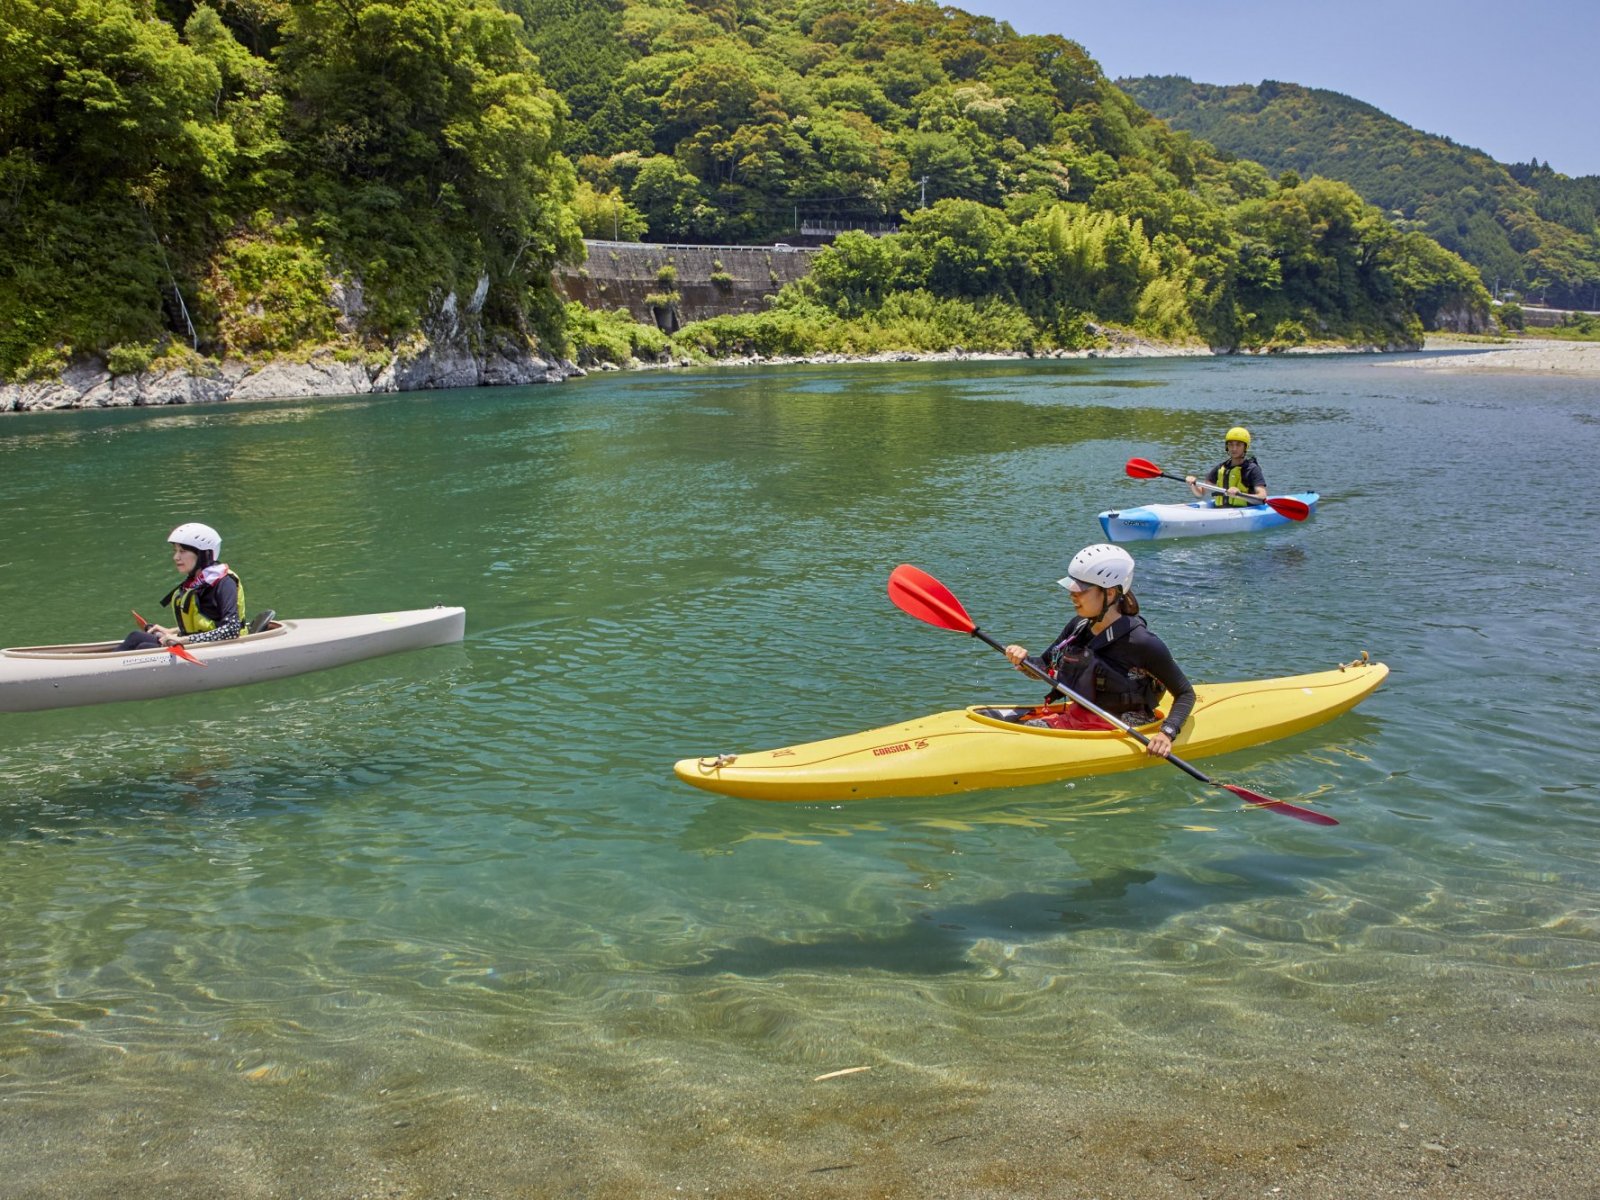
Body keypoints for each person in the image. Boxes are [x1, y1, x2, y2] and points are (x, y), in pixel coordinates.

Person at [1002, 544, 1194, 758]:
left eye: (1081, 590)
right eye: (1071, 588)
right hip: (1079, 718)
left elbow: (1185, 693)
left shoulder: (1142, 642)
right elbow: (1045, 667)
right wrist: (1023, 660)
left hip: (1120, 728)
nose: (1072, 595)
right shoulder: (1078, 627)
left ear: (1110, 593)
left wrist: (1167, 733)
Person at [116, 522, 247, 651]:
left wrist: (183, 640)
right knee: (135, 637)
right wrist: (171, 631)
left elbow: (231, 630)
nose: (176, 557)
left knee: (144, 647)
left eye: (182, 551)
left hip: (221, 648)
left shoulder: (225, 583)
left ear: (203, 554)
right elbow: (206, 624)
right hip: (196, 643)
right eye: (176, 551)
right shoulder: (197, 583)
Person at [1187, 425, 1267, 507]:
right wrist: (1193, 484)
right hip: (1222, 511)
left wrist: (1239, 495)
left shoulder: (1252, 469)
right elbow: (1200, 493)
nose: (1234, 448)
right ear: (1227, 446)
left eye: (1238, 445)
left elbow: (1262, 498)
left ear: (1245, 447)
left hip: (1244, 511)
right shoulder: (1220, 468)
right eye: (1230, 444)